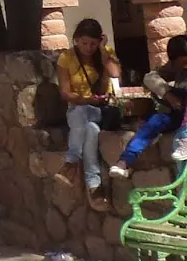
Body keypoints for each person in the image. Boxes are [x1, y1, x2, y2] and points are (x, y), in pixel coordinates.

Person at [56, 18, 121, 212]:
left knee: (85, 118)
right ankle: (94, 185)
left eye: (93, 43)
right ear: (76, 40)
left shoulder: (105, 53)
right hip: (79, 108)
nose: (88, 47)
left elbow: (115, 73)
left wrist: (103, 51)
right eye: (84, 43)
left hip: (102, 110)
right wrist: (86, 100)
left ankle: (71, 162)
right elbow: (65, 93)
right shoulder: (66, 58)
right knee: (90, 128)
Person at [111, 34, 187, 182]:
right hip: (178, 114)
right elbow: (149, 78)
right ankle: (124, 162)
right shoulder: (173, 69)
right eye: (183, 63)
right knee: (153, 122)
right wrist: (167, 94)